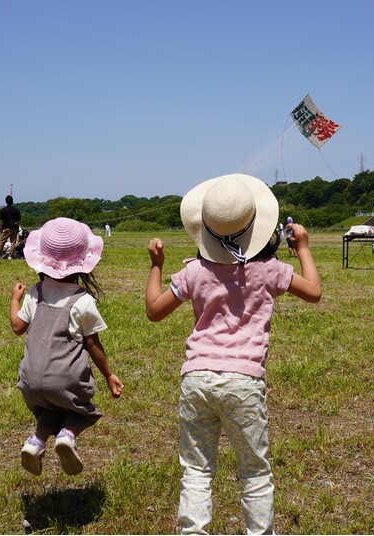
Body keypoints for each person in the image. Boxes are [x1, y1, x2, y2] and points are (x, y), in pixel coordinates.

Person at [145, 173, 321, 534]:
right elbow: (314, 291)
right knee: (254, 471)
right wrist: (302, 246)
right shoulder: (270, 270)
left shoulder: (194, 271)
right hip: (244, 380)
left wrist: (157, 265)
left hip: (197, 378)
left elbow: (154, 310)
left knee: (196, 470)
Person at [9, 217, 123, 476]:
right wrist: (109, 375)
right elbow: (93, 344)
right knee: (82, 411)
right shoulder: (82, 301)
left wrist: (15, 299)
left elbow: (17, 327)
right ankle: (67, 437)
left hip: (30, 380)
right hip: (66, 378)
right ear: (82, 263)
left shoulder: (34, 293)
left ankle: (36, 441)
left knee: (49, 410)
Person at [0, 195, 21, 260]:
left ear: (6, 201)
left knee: (2, 242)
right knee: (13, 242)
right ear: (12, 201)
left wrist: (0, 229)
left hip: (6, 228)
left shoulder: (3, 210)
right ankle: (11, 256)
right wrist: (18, 228)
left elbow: (1, 221)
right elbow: (18, 221)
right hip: (14, 228)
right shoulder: (16, 210)